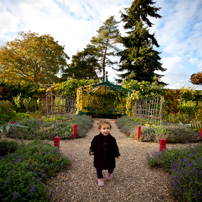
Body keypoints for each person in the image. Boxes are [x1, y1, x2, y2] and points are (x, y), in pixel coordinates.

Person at [89, 120, 120, 186]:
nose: (106, 130)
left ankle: (110, 173)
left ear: (110, 129)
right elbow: (93, 145)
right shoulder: (96, 138)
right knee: (99, 168)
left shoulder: (112, 139)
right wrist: (92, 150)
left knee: (111, 167)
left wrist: (117, 153)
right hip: (99, 157)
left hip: (110, 157)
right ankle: (100, 179)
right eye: (104, 128)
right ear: (99, 129)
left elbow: (115, 147)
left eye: (108, 128)